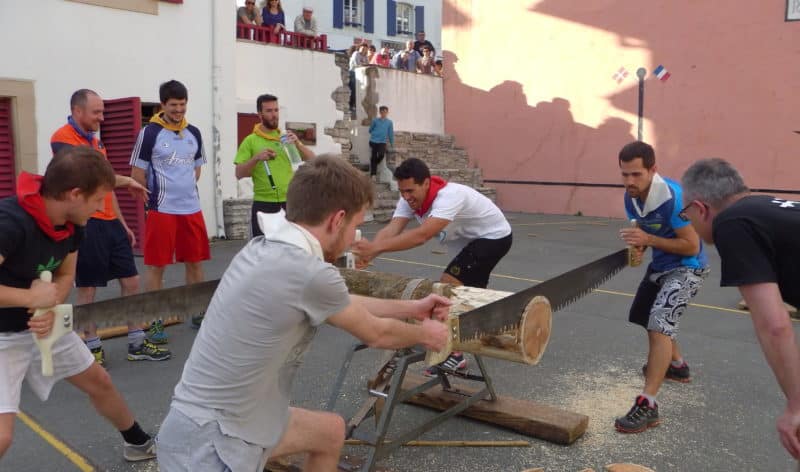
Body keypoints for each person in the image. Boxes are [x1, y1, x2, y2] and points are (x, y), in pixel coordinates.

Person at [156, 155, 449, 472]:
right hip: (211, 446)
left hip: (234, 421)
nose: (354, 239)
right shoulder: (306, 272)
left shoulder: (264, 247)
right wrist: (427, 334)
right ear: (337, 220)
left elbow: (342, 301)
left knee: (330, 432)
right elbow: (377, 334)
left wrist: (412, 307)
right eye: (356, 227)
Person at [0, 146, 156, 462]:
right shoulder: (10, 222)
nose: (102, 208)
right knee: (3, 435)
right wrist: (31, 299)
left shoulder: (74, 225)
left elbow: (65, 274)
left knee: (99, 382)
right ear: (74, 194)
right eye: (98, 200)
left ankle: (137, 443)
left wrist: (50, 303)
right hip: (2, 338)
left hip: (44, 326)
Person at [680, 158, 800, 459]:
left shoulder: (732, 223)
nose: (687, 222)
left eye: (686, 214)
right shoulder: (767, 207)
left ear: (701, 208)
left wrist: (797, 406)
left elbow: (774, 325)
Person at [352, 158, 512, 375]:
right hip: (469, 243)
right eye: (402, 192)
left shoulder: (450, 197)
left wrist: (374, 249)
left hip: (493, 237)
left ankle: (453, 355)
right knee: (469, 294)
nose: (406, 197)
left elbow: (421, 235)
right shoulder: (408, 199)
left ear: (426, 183)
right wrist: (372, 250)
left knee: (447, 285)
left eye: (410, 190)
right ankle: (483, 331)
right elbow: (393, 228)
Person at [50, 89, 169, 364]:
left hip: (109, 223)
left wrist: (122, 223)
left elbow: (106, 188)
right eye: (97, 112)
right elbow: (87, 175)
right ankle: (92, 347)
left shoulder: (97, 142)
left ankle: (136, 343)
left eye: (103, 112)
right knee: (88, 288)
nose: (102, 118)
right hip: (85, 222)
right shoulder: (62, 138)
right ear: (78, 111)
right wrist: (127, 180)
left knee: (131, 280)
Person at [615, 141, 709, 434]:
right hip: (661, 266)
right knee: (646, 316)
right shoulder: (631, 197)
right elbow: (643, 233)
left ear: (653, 170)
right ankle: (677, 366)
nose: (630, 181)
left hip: (688, 268)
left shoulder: (674, 197)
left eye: (636, 174)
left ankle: (648, 404)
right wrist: (639, 247)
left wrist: (649, 241)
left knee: (659, 324)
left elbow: (691, 245)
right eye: (624, 174)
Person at [130, 80, 209, 327]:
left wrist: (184, 188)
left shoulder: (194, 132)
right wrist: (150, 200)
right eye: (173, 105)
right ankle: (154, 317)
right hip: (162, 209)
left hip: (191, 208)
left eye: (183, 105)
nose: (178, 110)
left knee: (195, 262)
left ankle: (197, 310)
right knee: (157, 265)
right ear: (162, 104)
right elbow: (136, 174)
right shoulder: (150, 133)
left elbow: (196, 169)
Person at [234, 94, 315, 237]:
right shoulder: (250, 141)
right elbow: (239, 173)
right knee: (263, 251)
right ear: (260, 114)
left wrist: (298, 144)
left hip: (289, 203)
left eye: (276, 110)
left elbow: (312, 160)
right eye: (269, 111)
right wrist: (256, 158)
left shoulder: (286, 138)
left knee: (289, 248)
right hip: (263, 204)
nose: (274, 115)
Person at [368, 106, 394, 181]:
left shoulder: (389, 122)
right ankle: (373, 175)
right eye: (382, 112)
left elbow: (390, 133)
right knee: (373, 156)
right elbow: (370, 130)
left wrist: (392, 143)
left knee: (381, 154)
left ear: (387, 113)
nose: (384, 113)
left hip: (382, 142)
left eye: (385, 112)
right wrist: (374, 133)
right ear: (380, 112)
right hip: (373, 141)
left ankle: (375, 163)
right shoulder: (375, 121)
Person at [348, 43, 370, 113]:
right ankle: (351, 106)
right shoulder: (356, 54)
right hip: (353, 73)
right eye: (363, 48)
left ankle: (357, 106)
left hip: (361, 74)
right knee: (354, 89)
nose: (364, 50)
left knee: (362, 90)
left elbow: (368, 65)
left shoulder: (365, 56)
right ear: (359, 48)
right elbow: (357, 64)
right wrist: (364, 65)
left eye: (365, 49)